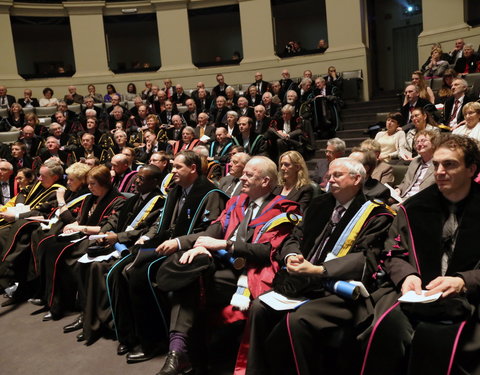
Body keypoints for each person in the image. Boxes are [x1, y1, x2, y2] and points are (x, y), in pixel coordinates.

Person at [246, 157, 394, 375]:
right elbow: (294, 237)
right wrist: (292, 256)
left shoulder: (376, 214)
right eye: (329, 175)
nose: (330, 179)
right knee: (259, 307)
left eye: (337, 175)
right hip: (303, 282)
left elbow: (365, 258)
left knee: (296, 321)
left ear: (357, 179)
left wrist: (319, 270)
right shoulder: (319, 204)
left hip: (339, 288)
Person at [153, 156, 300, 375]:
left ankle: (178, 351)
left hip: (249, 272)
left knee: (186, 281)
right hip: (221, 266)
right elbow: (215, 228)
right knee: (192, 268)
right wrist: (197, 245)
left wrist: (224, 244)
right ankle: (179, 353)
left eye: (249, 174)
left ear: (266, 181)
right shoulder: (237, 202)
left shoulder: (282, 210)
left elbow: (265, 251)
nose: (242, 177)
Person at [361, 135, 480, 375]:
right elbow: (392, 252)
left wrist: (463, 280)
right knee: (384, 329)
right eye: (436, 164)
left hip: (470, 298)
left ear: (471, 169)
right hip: (416, 294)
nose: (439, 171)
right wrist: (407, 276)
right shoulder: (413, 207)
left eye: (449, 164)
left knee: (443, 343)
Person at [106, 150, 228, 362]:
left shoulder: (210, 194)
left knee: (138, 275)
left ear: (193, 168)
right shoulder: (175, 191)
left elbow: (212, 231)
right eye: (172, 167)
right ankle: (129, 336)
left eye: (177, 167)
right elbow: (163, 224)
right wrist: (148, 237)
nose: (172, 172)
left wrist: (179, 242)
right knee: (116, 272)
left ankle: (154, 342)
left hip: (188, 248)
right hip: (166, 241)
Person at [74, 165, 166, 345]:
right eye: (137, 178)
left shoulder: (160, 201)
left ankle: (113, 324)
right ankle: (90, 318)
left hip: (135, 247)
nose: (136, 181)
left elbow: (148, 231)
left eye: (141, 179)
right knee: (88, 263)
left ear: (155, 182)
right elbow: (117, 221)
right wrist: (105, 235)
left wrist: (118, 236)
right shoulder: (135, 199)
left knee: (105, 269)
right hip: (118, 243)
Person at [37, 165, 125, 320]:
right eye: (88, 183)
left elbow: (105, 228)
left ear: (104, 183)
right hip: (82, 235)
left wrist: (81, 228)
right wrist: (74, 226)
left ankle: (60, 305)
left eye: (93, 184)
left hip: (98, 240)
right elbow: (81, 220)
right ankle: (46, 295)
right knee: (46, 244)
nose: (89, 187)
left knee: (60, 255)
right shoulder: (90, 197)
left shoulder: (118, 201)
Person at [0, 160, 64, 301]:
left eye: (43, 176)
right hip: (18, 217)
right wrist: (21, 204)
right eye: (39, 176)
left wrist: (17, 215)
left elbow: (42, 212)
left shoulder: (58, 191)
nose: (39, 179)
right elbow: (24, 191)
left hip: (34, 223)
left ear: (54, 177)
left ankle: (6, 277)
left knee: (3, 236)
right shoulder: (39, 183)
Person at [395, 130, 438, 201]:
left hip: (420, 202)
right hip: (402, 198)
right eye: (417, 142)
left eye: (423, 141)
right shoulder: (414, 162)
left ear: (433, 144)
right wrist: (398, 189)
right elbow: (404, 182)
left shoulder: (439, 165)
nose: (419, 144)